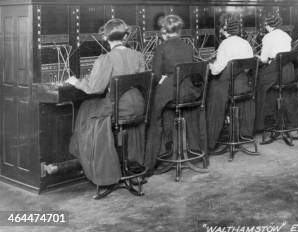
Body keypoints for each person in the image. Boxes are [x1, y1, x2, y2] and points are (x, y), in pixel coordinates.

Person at [67, 19, 146, 187]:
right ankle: (127, 165)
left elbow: (94, 88)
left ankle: (98, 167)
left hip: (120, 110)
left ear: (105, 37)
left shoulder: (106, 58)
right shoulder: (138, 55)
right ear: (126, 36)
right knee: (89, 108)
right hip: (139, 108)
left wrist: (76, 82)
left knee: (85, 110)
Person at [144, 15, 203, 172]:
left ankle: (153, 160)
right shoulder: (188, 46)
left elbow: (155, 76)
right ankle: (184, 148)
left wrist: (163, 77)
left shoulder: (162, 48)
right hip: (190, 92)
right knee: (166, 111)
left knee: (153, 112)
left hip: (172, 92)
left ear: (164, 30)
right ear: (179, 29)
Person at [206, 19, 254, 150]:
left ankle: (211, 139)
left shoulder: (225, 44)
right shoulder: (245, 43)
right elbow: (248, 67)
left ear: (225, 29)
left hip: (228, 87)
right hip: (244, 85)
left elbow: (216, 70)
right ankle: (240, 132)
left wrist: (210, 65)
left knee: (211, 94)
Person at [254, 14, 293, 131]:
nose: (264, 28)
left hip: (277, 70)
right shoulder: (286, 36)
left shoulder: (267, 37)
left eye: (265, 25)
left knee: (258, 84)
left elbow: (264, 59)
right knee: (270, 87)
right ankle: (277, 119)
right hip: (288, 72)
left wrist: (256, 56)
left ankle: (259, 125)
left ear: (268, 25)